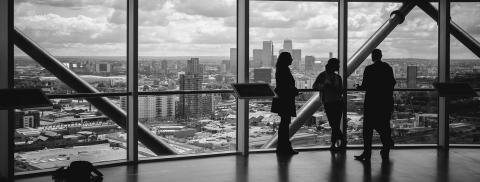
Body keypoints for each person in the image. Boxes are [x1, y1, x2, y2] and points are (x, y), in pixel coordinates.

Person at [354, 49, 396, 161]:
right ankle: (386, 147)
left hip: (372, 103)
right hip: (385, 102)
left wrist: (359, 87)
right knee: (384, 126)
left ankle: (367, 153)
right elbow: (392, 83)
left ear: (373, 57)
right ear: (381, 56)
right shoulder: (388, 68)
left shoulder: (369, 69)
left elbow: (365, 86)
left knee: (368, 129)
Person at [313, 58, 345, 151]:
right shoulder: (326, 76)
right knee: (334, 124)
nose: (339, 67)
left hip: (335, 102)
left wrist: (327, 87)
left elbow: (340, 90)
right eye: (337, 65)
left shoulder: (334, 77)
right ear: (333, 66)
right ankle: (341, 140)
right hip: (331, 102)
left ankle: (334, 144)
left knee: (335, 124)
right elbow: (315, 86)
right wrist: (325, 86)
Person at [271, 52, 300, 155]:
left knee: (284, 124)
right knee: (285, 124)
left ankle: (282, 147)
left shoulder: (280, 69)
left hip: (282, 99)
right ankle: (285, 147)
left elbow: (282, 85)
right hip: (285, 99)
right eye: (290, 58)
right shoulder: (284, 70)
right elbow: (286, 85)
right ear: (286, 59)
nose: (292, 60)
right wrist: (294, 90)